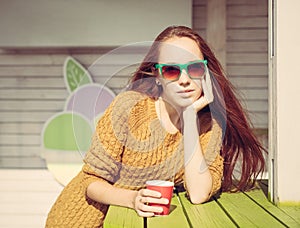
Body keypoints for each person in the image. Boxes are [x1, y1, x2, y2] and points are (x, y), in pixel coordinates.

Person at [46, 26, 266, 227]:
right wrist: (132, 198)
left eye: (195, 69)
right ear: (157, 75)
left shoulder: (208, 125)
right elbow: (91, 181)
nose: (184, 79)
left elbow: (199, 194)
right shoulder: (130, 108)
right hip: (80, 220)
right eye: (172, 70)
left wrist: (190, 119)